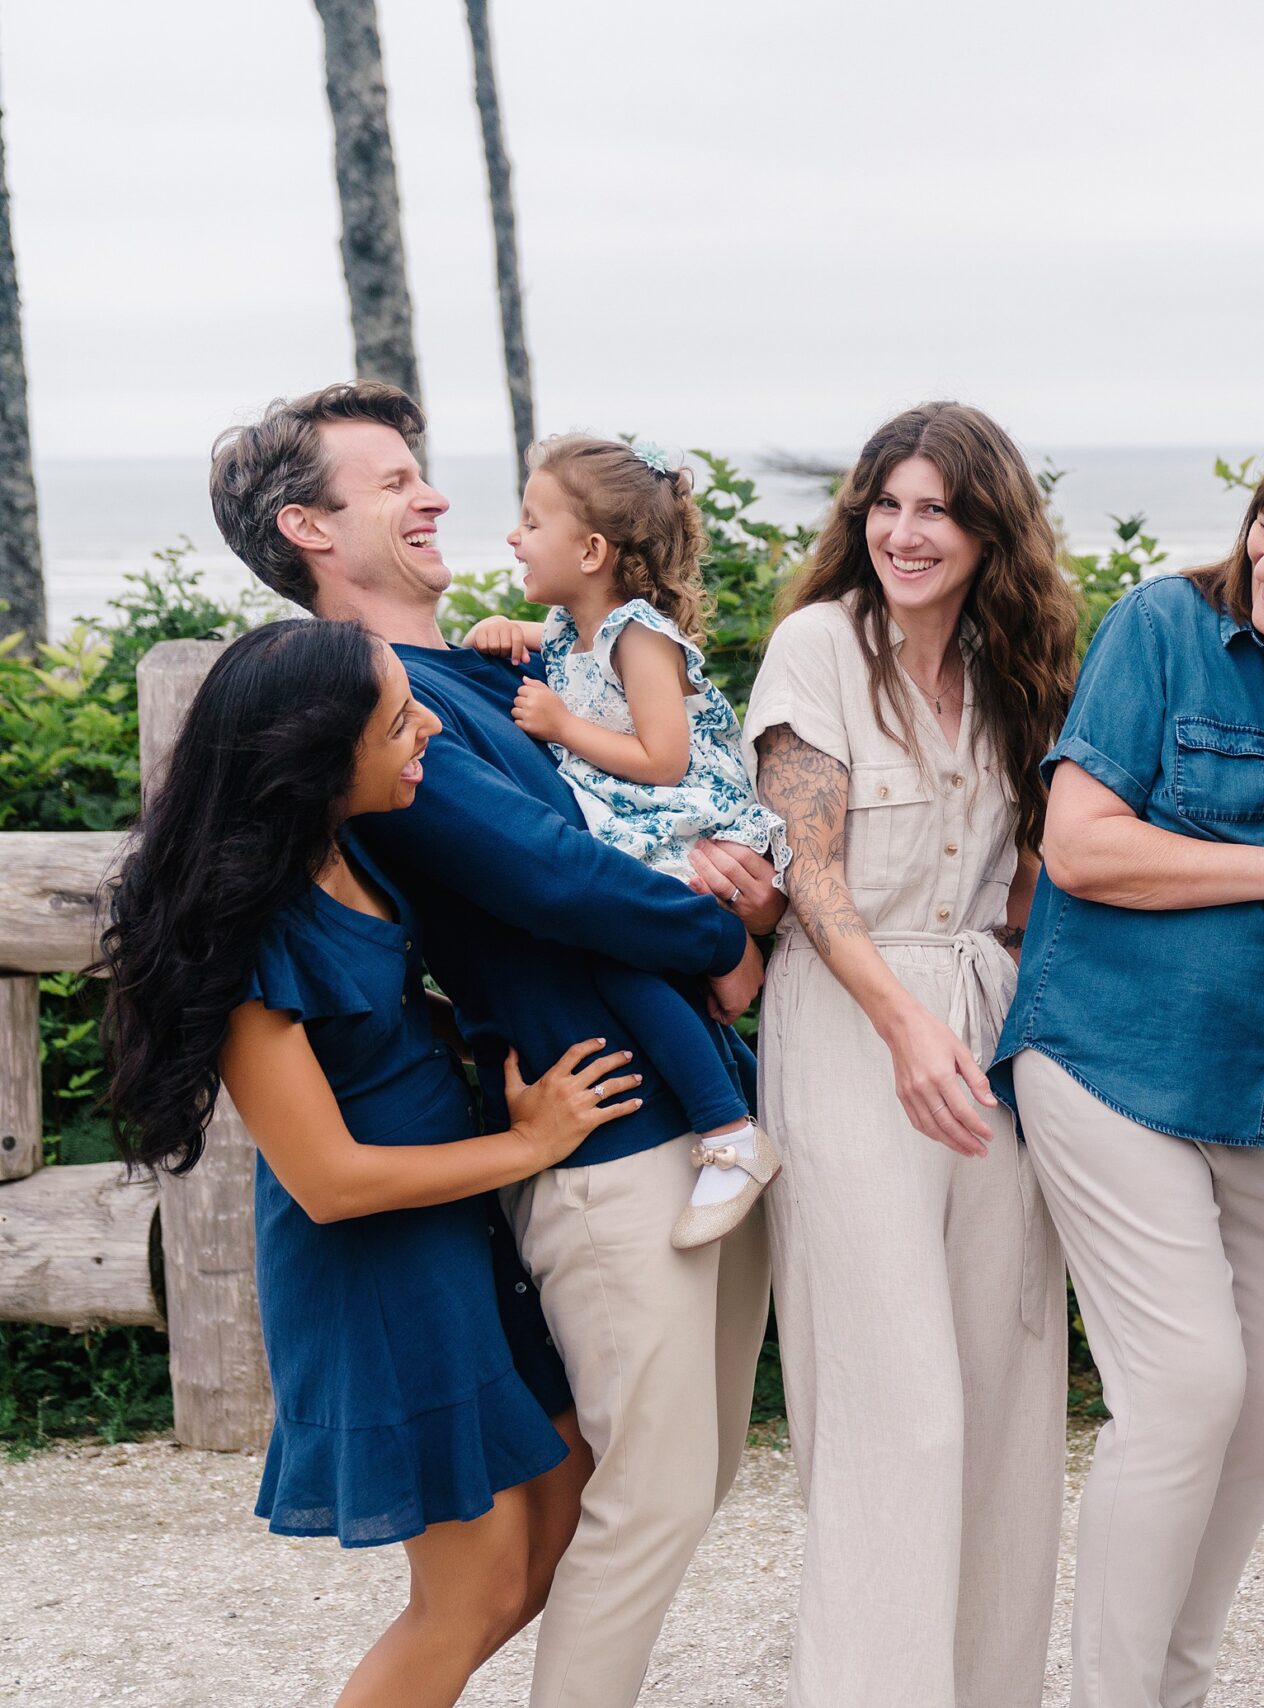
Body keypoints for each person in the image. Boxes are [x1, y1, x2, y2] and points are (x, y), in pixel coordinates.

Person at [207, 383, 780, 1708]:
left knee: (600, 1519)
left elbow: (607, 784)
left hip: (600, 1116)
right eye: (393, 480)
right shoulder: (373, 715)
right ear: (308, 527)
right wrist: (723, 934)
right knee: (617, 1514)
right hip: (596, 1132)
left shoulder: (459, 678)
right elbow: (554, 878)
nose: (434, 498)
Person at [100, 619, 643, 1708]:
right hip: (376, 1280)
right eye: (401, 718)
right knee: (473, 1588)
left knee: (561, 1518)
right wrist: (527, 1143)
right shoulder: (250, 932)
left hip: (456, 1240)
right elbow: (329, 1180)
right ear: (313, 754)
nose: (430, 727)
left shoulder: (350, 847)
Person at [988, 455, 1264, 1707]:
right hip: (1107, 1059)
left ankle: (1173, 1682)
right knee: (1186, 1385)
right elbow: (1081, 845)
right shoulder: (1162, 626)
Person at [746, 401, 1081, 1708]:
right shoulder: (817, 646)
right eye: (884, 505)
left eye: (935, 507)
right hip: (850, 1019)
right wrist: (902, 1027)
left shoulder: (1022, 668)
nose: (902, 531)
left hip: (990, 1025)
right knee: (900, 1405)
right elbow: (808, 874)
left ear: (988, 524)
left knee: (1005, 1395)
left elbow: (1028, 887)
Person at [461, 433, 792, 1249]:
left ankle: (728, 1132)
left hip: (684, 814)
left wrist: (562, 723)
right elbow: (553, 655)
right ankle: (740, 1089)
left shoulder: (637, 634)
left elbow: (664, 756)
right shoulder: (572, 627)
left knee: (618, 952)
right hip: (639, 817)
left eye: (532, 521)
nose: (515, 536)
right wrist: (504, 630)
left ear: (593, 549)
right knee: (622, 952)